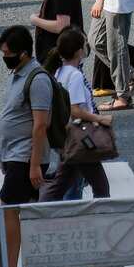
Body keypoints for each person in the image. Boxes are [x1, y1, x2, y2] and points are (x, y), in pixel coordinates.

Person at [0, 26, 51, 267]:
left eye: (8, 53)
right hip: (15, 154)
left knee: (8, 206)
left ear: (24, 53)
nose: (5, 57)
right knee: (14, 208)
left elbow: (40, 125)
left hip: (26, 155)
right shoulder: (18, 73)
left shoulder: (37, 79)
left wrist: (35, 165)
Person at [37, 28, 112, 206]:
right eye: (85, 44)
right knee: (101, 187)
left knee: (60, 185)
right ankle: (101, 221)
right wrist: (100, 119)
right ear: (79, 51)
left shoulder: (59, 72)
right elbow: (75, 110)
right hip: (81, 137)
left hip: (69, 137)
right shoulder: (75, 76)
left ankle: (39, 213)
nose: (86, 47)